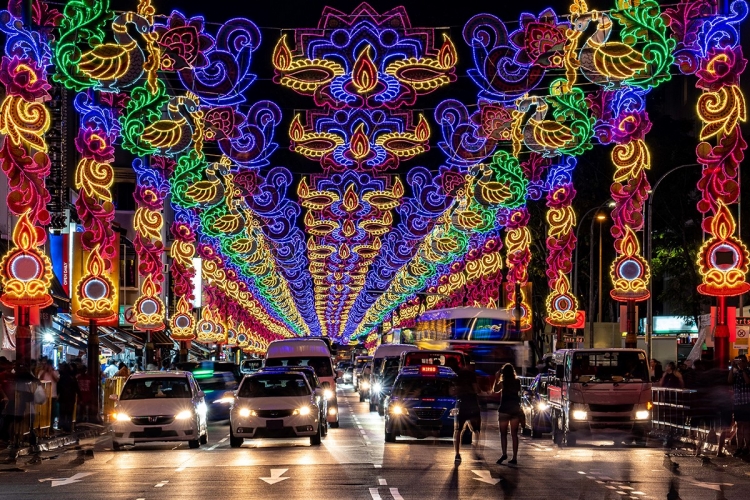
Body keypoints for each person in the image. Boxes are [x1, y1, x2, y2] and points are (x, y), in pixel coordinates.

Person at [492, 363, 522, 465]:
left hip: (504, 409)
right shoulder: (517, 382)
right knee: (514, 434)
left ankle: (504, 453)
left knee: (503, 434)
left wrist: (497, 378)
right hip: (515, 410)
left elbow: (495, 390)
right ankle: (514, 457)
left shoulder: (503, 383)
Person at [452, 361, 481, 464]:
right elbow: (476, 389)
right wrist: (479, 392)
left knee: (458, 430)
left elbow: (453, 390)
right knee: (476, 429)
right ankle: (474, 450)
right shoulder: (471, 375)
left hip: (460, 404)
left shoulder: (458, 375)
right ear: (468, 365)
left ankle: (457, 454)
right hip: (472, 404)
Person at [728, 355, 750, 456]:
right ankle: (739, 447)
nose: (739, 363)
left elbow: (748, 382)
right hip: (737, 402)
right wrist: (733, 367)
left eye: (741, 361)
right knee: (739, 425)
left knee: (746, 425)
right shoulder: (736, 373)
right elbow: (730, 381)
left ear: (745, 362)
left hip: (747, 402)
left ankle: (747, 447)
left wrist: (742, 370)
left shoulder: (748, 371)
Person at [57, 362, 79, 433]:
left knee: (62, 413)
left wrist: (58, 395)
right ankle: (68, 427)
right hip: (70, 398)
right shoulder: (72, 379)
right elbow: (77, 388)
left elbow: (58, 388)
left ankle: (61, 426)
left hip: (63, 398)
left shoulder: (62, 378)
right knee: (69, 413)